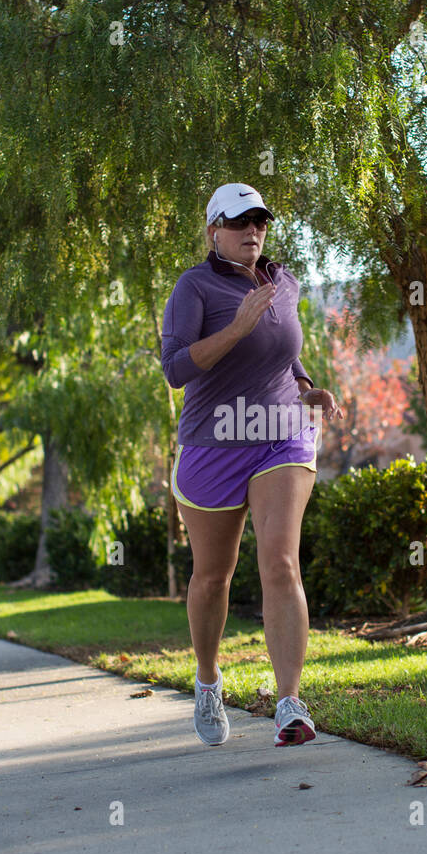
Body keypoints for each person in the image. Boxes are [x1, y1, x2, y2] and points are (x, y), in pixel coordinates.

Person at [160, 182, 344, 748]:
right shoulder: (193, 287)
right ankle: (209, 681)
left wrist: (308, 387)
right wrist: (236, 326)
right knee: (213, 576)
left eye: (260, 222)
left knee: (280, 563)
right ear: (213, 230)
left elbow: (284, 353)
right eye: (240, 223)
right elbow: (174, 369)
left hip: (279, 437)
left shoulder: (282, 281)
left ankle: (289, 701)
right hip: (213, 445)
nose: (252, 232)